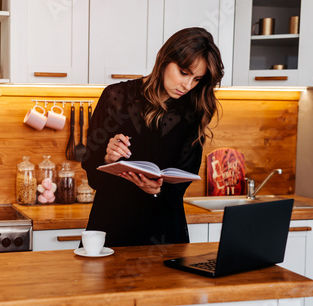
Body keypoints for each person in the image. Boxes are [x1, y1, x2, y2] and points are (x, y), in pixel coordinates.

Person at [81, 27, 224, 247]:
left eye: (197, 79)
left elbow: (184, 178)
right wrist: (108, 158)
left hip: (163, 232)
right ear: (164, 59)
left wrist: (158, 190)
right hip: (112, 225)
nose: (187, 85)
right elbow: (93, 176)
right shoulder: (116, 97)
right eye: (184, 72)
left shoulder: (194, 110)